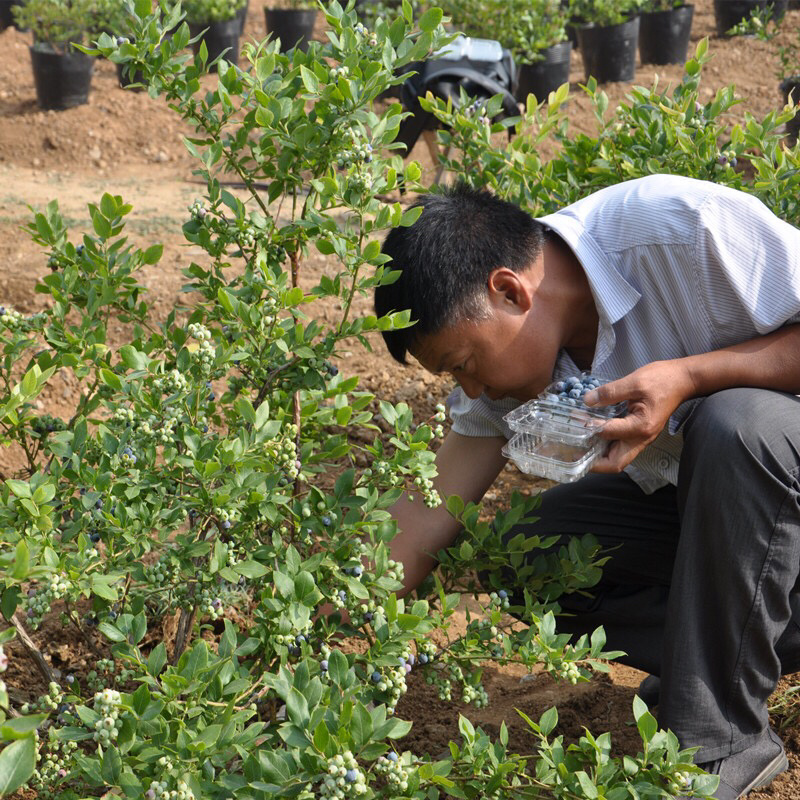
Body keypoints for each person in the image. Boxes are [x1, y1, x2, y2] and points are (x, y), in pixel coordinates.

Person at [373, 174, 800, 800]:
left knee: (738, 423)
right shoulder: (512, 362)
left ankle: (721, 739)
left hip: (775, 466)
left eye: (463, 365)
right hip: (743, 519)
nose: (469, 390)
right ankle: (707, 666)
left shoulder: (680, 229)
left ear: (510, 291)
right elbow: (428, 513)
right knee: (525, 553)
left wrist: (691, 376)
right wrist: (310, 623)